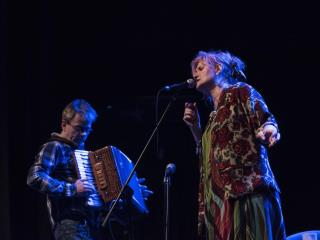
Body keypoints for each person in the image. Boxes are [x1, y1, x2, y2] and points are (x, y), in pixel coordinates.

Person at [183, 50, 286, 239]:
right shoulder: (212, 119)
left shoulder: (239, 91)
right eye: (193, 71)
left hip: (247, 194)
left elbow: (265, 118)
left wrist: (270, 128)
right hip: (220, 207)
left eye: (200, 67)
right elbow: (209, 159)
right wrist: (195, 129)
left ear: (218, 68)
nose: (194, 74)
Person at [27, 99, 153, 240]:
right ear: (64, 124)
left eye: (88, 129)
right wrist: (72, 189)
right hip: (69, 225)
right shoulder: (55, 146)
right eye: (79, 128)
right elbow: (34, 177)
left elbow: (97, 198)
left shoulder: (85, 156)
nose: (84, 134)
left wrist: (130, 193)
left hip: (93, 226)